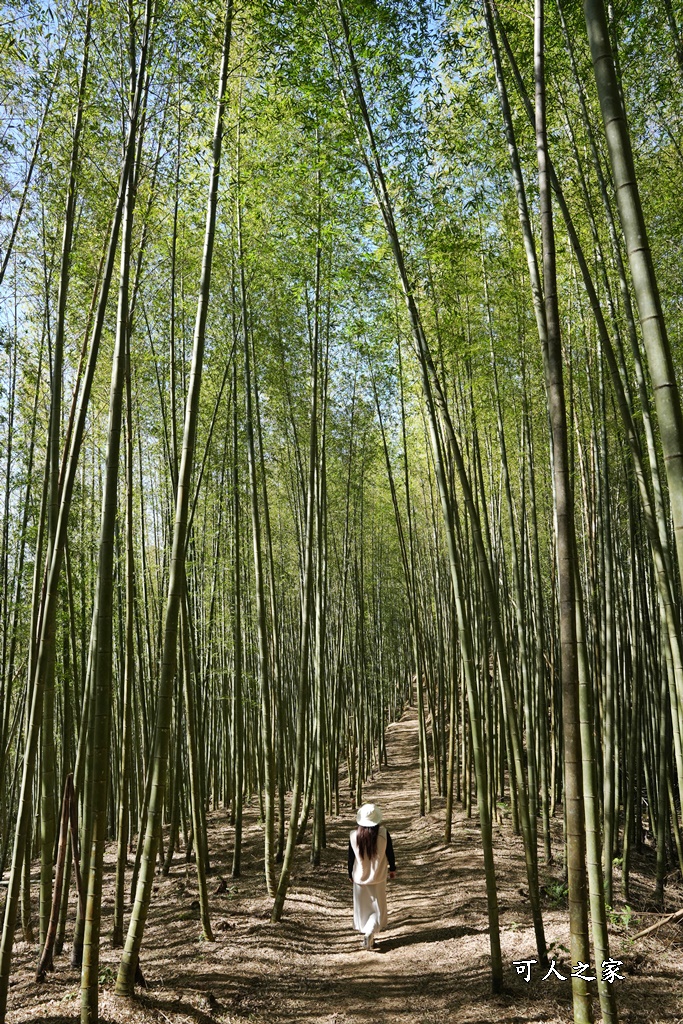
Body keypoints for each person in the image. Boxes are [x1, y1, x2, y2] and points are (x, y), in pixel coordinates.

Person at [347, 803, 396, 950]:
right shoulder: (383, 834)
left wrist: (350, 874)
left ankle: (369, 935)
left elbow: (350, 859)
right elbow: (390, 853)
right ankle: (370, 933)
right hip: (378, 878)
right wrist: (392, 868)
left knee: (364, 910)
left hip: (359, 880)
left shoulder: (354, 836)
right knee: (377, 910)